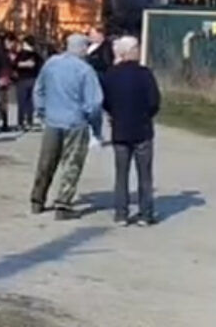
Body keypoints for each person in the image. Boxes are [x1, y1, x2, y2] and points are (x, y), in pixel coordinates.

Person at [31, 33, 104, 220]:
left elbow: (39, 89)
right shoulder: (85, 71)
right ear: (82, 49)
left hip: (53, 120)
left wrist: (41, 110)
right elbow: (95, 103)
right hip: (75, 122)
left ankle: (37, 199)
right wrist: (95, 127)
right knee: (71, 163)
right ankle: (63, 204)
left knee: (46, 161)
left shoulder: (51, 64)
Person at [100, 35, 163, 226]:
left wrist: (115, 114)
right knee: (144, 174)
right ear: (130, 51)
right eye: (136, 48)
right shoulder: (145, 74)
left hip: (120, 130)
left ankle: (121, 213)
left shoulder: (111, 74)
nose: (138, 51)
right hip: (142, 129)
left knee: (121, 174)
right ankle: (145, 213)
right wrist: (146, 115)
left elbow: (105, 101)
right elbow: (154, 101)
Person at [13, 34, 41, 130]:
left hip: (22, 80)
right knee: (30, 102)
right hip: (33, 79)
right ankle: (29, 121)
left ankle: (21, 122)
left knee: (22, 102)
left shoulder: (21, 54)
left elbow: (15, 64)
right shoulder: (36, 55)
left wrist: (22, 64)